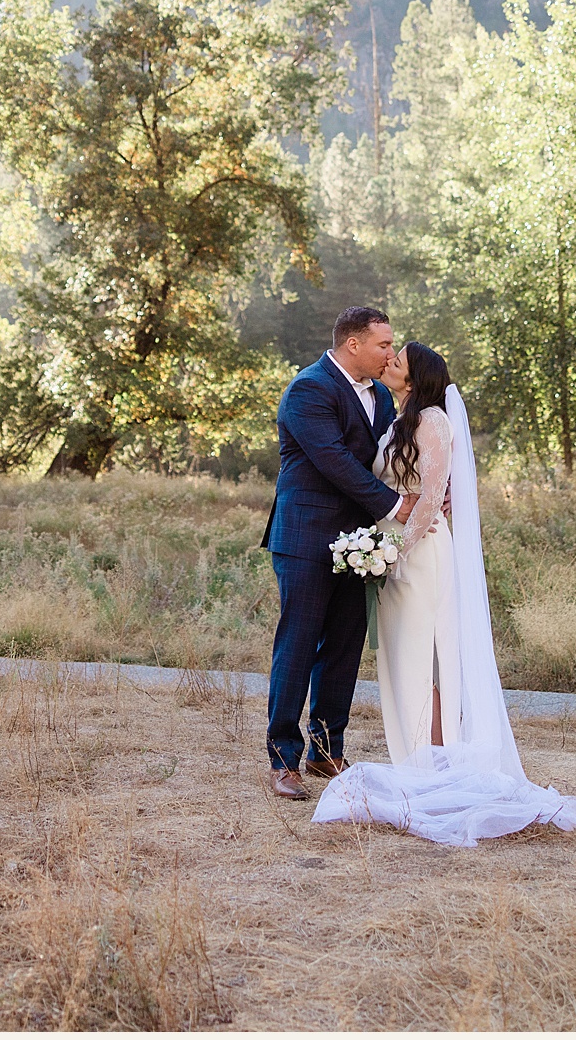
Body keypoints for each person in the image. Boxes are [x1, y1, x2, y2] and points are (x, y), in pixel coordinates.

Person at [309, 341, 576, 846]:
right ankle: (420, 759)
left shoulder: (434, 422)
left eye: (397, 361)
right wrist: (381, 547)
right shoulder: (398, 422)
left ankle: (434, 765)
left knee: (426, 659)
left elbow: (432, 501)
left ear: (417, 376)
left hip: (420, 555)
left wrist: (394, 550)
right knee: (401, 660)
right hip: (393, 551)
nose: (388, 364)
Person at [262, 305, 408, 799]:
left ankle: (326, 750)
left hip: (361, 542)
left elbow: (389, 457)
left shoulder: (381, 398)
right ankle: (283, 759)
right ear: (354, 345)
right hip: (307, 537)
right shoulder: (310, 388)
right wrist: (396, 505)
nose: (391, 352)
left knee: (345, 647)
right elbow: (335, 461)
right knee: (299, 645)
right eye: (383, 345)